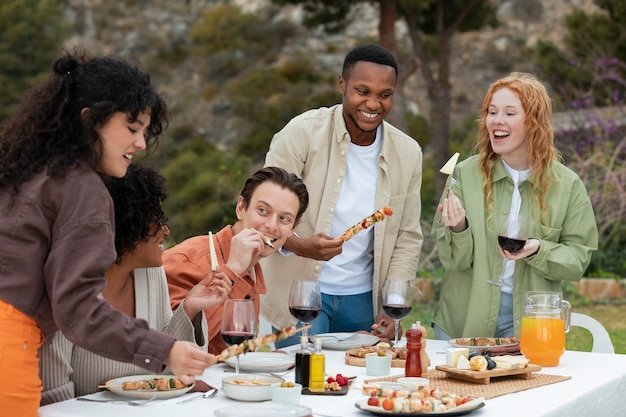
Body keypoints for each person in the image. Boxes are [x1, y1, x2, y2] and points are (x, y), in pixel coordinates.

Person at [0, 49, 216, 415]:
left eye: (145, 131)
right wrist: (165, 350)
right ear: (90, 121)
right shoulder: (83, 190)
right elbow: (78, 308)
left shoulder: (28, 168)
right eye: (132, 129)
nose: (141, 143)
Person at [261, 43, 424, 347]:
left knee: (359, 384)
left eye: (384, 95)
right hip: (300, 294)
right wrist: (300, 245)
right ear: (342, 85)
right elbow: (264, 213)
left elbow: (407, 236)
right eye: (362, 91)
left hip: (363, 301)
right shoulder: (301, 133)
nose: (373, 104)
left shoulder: (408, 153)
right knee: (304, 383)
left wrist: (394, 304)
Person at [39, 163, 232, 404]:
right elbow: (52, 397)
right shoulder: (65, 288)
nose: (166, 230)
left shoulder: (151, 272)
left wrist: (190, 308)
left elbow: (168, 373)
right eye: (156, 220)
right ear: (124, 226)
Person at [432, 72, 598, 340]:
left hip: (530, 323)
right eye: (492, 111)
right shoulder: (463, 175)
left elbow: (577, 260)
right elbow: (452, 261)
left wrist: (538, 250)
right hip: (463, 320)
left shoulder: (568, 185)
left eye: (510, 113)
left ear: (533, 122)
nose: (497, 120)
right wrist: (458, 228)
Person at [164, 166, 309, 355]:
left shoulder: (253, 266)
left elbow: (231, 352)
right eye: (263, 210)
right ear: (241, 208)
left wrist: (261, 362)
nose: (272, 226)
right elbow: (170, 344)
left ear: (293, 228)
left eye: (284, 218)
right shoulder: (189, 260)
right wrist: (232, 270)